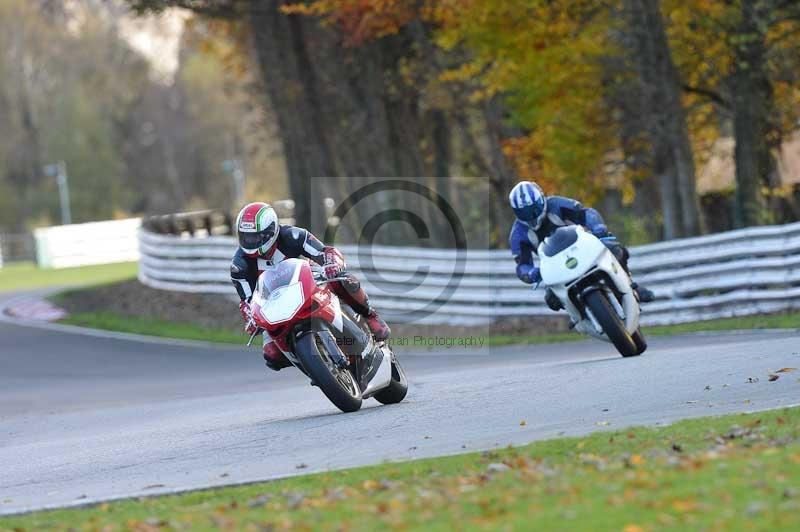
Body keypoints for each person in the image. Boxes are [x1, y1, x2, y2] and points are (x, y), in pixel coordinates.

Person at [231, 202, 390, 371]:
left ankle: (370, 315)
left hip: (310, 282)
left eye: (255, 237)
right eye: (246, 237)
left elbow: (325, 252)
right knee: (272, 356)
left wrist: (331, 264)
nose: (250, 241)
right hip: (275, 305)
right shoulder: (239, 265)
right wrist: (250, 319)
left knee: (341, 280)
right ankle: (313, 368)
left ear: (270, 231)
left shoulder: (293, 236)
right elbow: (248, 301)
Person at [508, 181, 655, 310]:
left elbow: (586, 213)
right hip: (555, 268)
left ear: (541, 199)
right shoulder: (518, 235)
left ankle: (631, 285)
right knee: (552, 300)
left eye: (533, 209)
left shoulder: (556, 204)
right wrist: (532, 273)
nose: (531, 215)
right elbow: (522, 265)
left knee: (616, 250)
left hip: (582, 248)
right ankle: (579, 315)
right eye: (524, 213)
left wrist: (597, 227)